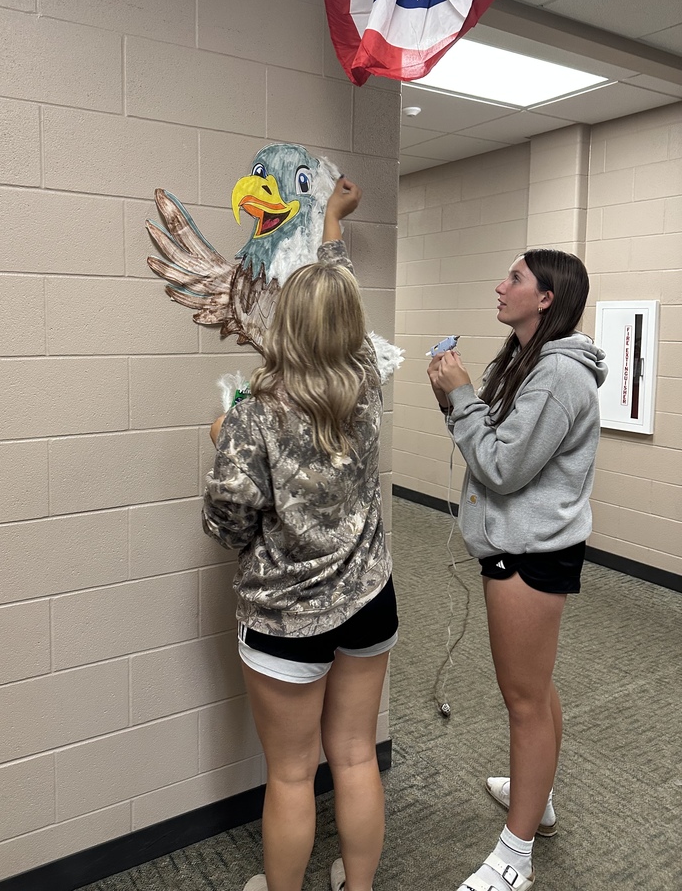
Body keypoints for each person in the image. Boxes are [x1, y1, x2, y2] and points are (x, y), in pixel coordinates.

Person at [203, 177, 397, 891]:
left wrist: (223, 440)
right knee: (353, 757)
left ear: (286, 326)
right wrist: (334, 226)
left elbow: (227, 524)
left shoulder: (254, 414)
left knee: (291, 775)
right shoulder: (369, 380)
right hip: (370, 602)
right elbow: (336, 293)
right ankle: (361, 885)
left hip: (286, 620)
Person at [428, 250, 607, 891]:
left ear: (546, 300)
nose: (499, 285)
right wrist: (458, 403)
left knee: (523, 701)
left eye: (515, 279)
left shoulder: (559, 377)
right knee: (536, 686)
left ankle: (516, 855)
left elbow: (502, 469)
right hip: (519, 543)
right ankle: (541, 797)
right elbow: (495, 446)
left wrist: (460, 398)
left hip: (531, 553)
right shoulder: (527, 362)